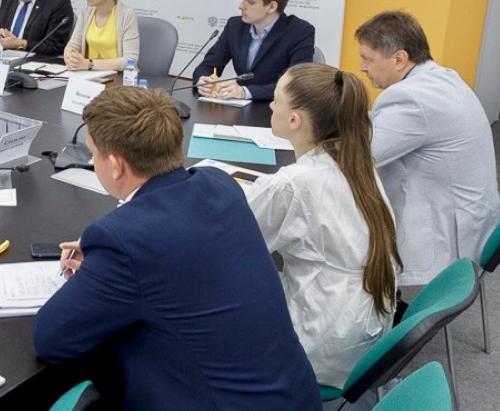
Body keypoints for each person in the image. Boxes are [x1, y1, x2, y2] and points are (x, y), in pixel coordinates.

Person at [33, 87, 320, 410]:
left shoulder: (123, 240)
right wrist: (107, 269)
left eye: (93, 154)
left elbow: (51, 340)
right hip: (296, 397)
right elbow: (179, 257)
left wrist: (110, 266)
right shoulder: (218, 184)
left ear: (115, 165)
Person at [245, 63, 401, 388]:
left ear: (294, 120)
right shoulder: (357, 161)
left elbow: (233, 238)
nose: (270, 105)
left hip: (322, 343)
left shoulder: (295, 183)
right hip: (364, 327)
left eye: (276, 100)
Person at [356, 11, 500, 286]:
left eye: (368, 58)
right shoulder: (441, 78)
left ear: (399, 59)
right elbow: (381, 126)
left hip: (445, 237)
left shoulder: (410, 97)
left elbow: (359, 156)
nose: (362, 67)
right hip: (474, 222)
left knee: (341, 234)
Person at [193, 0, 315, 101]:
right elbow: (207, 66)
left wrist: (246, 92)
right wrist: (203, 81)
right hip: (237, 106)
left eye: (250, 1)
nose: (241, 6)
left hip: (274, 107)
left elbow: (295, 86)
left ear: (272, 7)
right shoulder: (235, 26)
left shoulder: (300, 31)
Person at [63, 0, 139, 72]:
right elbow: (72, 46)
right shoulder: (87, 10)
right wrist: (71, 57)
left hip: (117, 79)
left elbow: (130, 60)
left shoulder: (126, 14)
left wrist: (89, 64)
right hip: (86, 76)